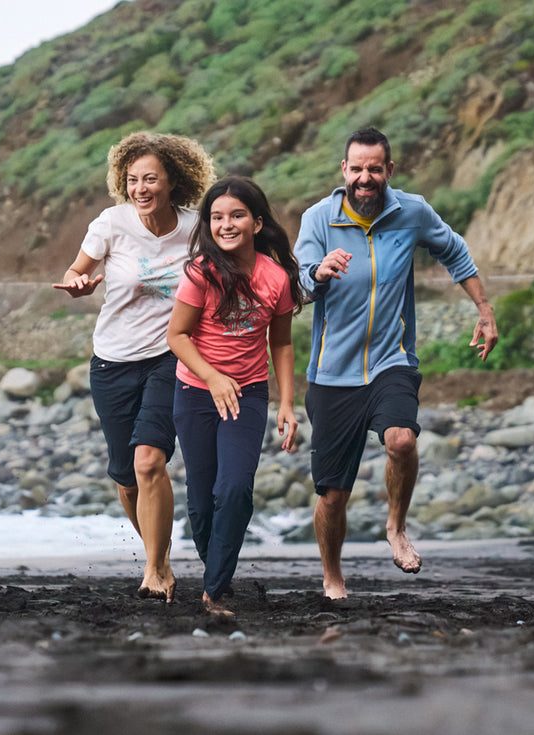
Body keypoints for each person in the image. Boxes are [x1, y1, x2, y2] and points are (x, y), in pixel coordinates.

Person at [294, 127, 498, 599]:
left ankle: (396, 526)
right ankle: (332, 576)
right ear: (344, 170)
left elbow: (454, 250)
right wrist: (318, 272)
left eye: (374, 168)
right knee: (333, 495)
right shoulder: (318, 219)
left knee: (402, 440)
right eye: (357, 169)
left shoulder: (412, 212)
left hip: (392, 359)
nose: (365, 178)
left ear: (389, 170)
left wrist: (485, 309)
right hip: (332, 373)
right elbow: (298, 284)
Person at [52, 131, 215, 603]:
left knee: (150, 461)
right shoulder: (112, 223)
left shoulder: (196, 229)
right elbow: (75, 271)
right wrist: (78, 284)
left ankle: (155, 568)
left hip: (170, 357)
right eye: (132, 180)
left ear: (173, 181)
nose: (140, 189)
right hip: (113, 362)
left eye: (150, 179)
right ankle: (157, 557)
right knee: (126, 477)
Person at [167, 177, 303, 617]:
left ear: (257, 223)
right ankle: (217, 575)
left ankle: (214, 589)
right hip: (195, 392)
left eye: (237, 215)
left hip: (248, 395)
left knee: (235, 488)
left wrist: (286, 403)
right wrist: (212, 378)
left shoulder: (275, 277)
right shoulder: (200, 273)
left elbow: (281, 342)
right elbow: (177, 336)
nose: (226, 224)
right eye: (217, 217)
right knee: (201, 498)